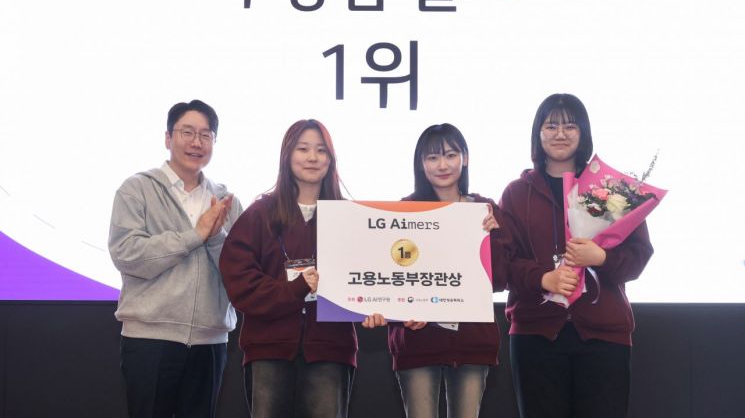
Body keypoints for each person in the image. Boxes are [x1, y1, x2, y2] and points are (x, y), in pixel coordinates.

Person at [500, 93, 654, 418]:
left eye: (570, 126)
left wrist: (602, 258)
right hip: (535, 333)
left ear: (583, 133)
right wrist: (543, 278)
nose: (560, 134)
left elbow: (639, 256)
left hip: (603, 333)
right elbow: (503, 263)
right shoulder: (516, 193)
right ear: (538, 133)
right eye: (551, 126)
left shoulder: (612, 190)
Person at [219, 119, 383, 418]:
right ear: (287, 155)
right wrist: (296, 289)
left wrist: (375, 307)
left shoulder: (351, 217)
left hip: (330, 349)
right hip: (268, 348)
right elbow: (240, 282)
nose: (312, 157)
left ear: (331, 159)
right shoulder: (260, 213)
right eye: (303, 149)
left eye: (321, 150)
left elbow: (372, 276)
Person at [108, 99, 241, 418]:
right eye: (187, 132)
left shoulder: (226, 200)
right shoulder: (137, 189)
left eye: (206, 135)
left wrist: (215, 237)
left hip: (211, 340)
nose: (197, 142)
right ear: (168, 138)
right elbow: (127, 254)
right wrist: (195, 235)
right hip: (150, 337)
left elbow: (238, 273)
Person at [387, 123, 511, 418]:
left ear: (465, 158)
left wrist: (493, 237)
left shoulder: (485, 209)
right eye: (432, 157)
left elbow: (500, 280)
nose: (442, 165)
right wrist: (403, 311)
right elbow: (391, 276)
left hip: (471, 341)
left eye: (451, 155)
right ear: (421, 163)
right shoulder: (403, 211)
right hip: (418, 341)